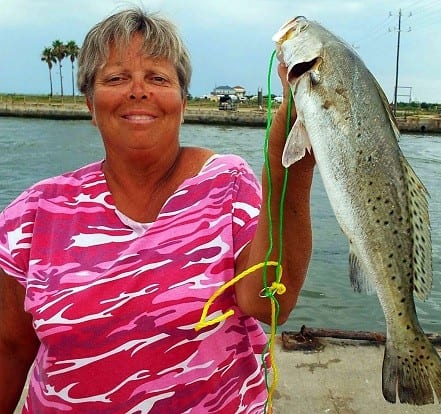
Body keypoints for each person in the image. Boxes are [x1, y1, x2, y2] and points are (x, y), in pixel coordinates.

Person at [0, 8, 315, 413]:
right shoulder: (34, 212)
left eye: (158, 78)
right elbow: (9, 349)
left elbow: (270, 301)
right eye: (116, 78)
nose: (138, 90)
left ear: (183, 102)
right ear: (89, 103)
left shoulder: (228, 184)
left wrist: (287, 157)